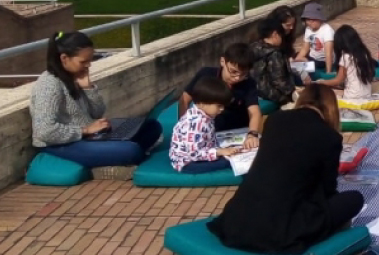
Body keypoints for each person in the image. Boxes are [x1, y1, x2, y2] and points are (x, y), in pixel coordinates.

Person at [207, 84, 364, 255]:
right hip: (280, 231)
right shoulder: (329, 137)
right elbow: (328, 189)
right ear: (331, 108)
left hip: (237, 221)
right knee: (354, 199)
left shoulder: (275, 119)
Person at [30, 31, 162, 172]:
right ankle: (125, 152)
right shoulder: (49, 85)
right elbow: (44, 131)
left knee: (152, 127)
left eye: (90, 60)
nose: (88, 66)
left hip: (89, 136)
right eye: (83, 62)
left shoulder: (73, 76)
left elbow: (97, 112)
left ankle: (118, 149)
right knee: (132, 151)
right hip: (60, 144)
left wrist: (88, 88)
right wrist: (84, 130)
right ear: (64, 58)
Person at [179, 43, 260, 150]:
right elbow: (185, 98)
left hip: (236, 131)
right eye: (233, 71)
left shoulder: (248, 83)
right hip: (206, 130)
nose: (237, 78)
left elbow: (254, 111)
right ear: (223, 61)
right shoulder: (206, 75)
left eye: (243, 74)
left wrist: (252, 134)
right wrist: (184, 125)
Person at [170, 76, 243, 173]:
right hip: (187, 163)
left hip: (203, 151)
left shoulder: (206, 115)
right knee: (228, 161)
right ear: (202, 103)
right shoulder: (195, 124)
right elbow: (193, 154)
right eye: (219, 106)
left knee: (229, 155)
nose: (222, 109)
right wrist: (219, 152)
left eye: (223, 106)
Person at [316, 25, 376, 99]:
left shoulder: (346, 56)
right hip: (367, 94)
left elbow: (338, 80)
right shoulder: (364, 53)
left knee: (325, 93)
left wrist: (320, 83)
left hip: (352, 96)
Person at [251, 18, 298, 107]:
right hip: (273, 96)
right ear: (275, 34)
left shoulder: (254, 47)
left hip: (256, 92)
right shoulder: (275, 53)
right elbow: (279, 81)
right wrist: (292, 92)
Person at [294, 2, 335, 74]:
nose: (310, 23)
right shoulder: (308, 29)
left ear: (319, 19)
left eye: (313, 20)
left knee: (300, 66)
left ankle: (306, 65)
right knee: (293, 60)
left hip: (322, 61)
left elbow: (328, 53)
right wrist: (297, 60)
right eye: (308, 20)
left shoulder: (327, 30)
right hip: (312, 57)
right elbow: (305, 48)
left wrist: (328, 72)